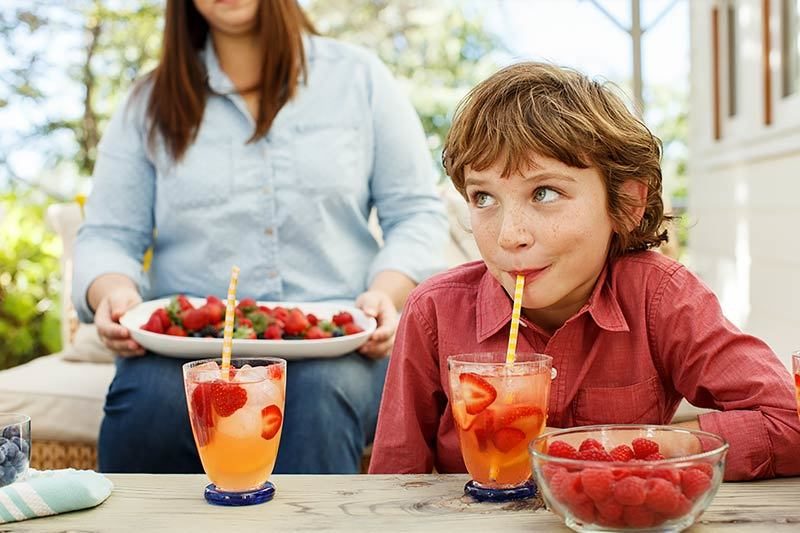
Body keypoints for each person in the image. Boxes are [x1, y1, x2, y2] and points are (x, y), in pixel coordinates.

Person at [368, 62, 800, 481]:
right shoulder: (434, 312)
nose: (508, 236)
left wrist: (602, 447)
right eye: (483, 198)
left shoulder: (660, 298)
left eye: (544, 192)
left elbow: (789, 421)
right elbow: (390, 482)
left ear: (627, 204)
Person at [72, 0, 448, 474]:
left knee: (316, 397)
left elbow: (415, 212)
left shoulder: (359, 78)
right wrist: (113, 291)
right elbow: (108, 234)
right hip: (184, 348)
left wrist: (387, 294)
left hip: (340, 348)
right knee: (148, 402)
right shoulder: (149, 100)